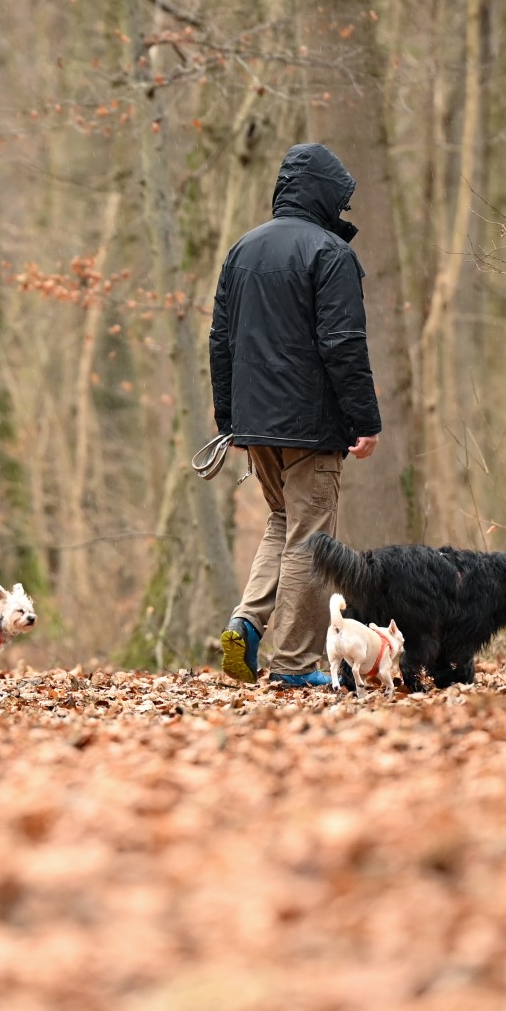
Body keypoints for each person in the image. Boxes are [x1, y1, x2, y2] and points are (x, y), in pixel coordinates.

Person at [210, 142, 382, 688]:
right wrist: (365, 420)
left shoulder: (242, 250)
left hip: (255, 423)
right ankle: (290, 664)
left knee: (283, 523)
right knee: (312, 539)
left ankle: (247, 622)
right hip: (312, 425)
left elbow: (220, 340)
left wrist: (229, 419)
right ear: (325, 195)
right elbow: (343, 343)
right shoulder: (330, 253)